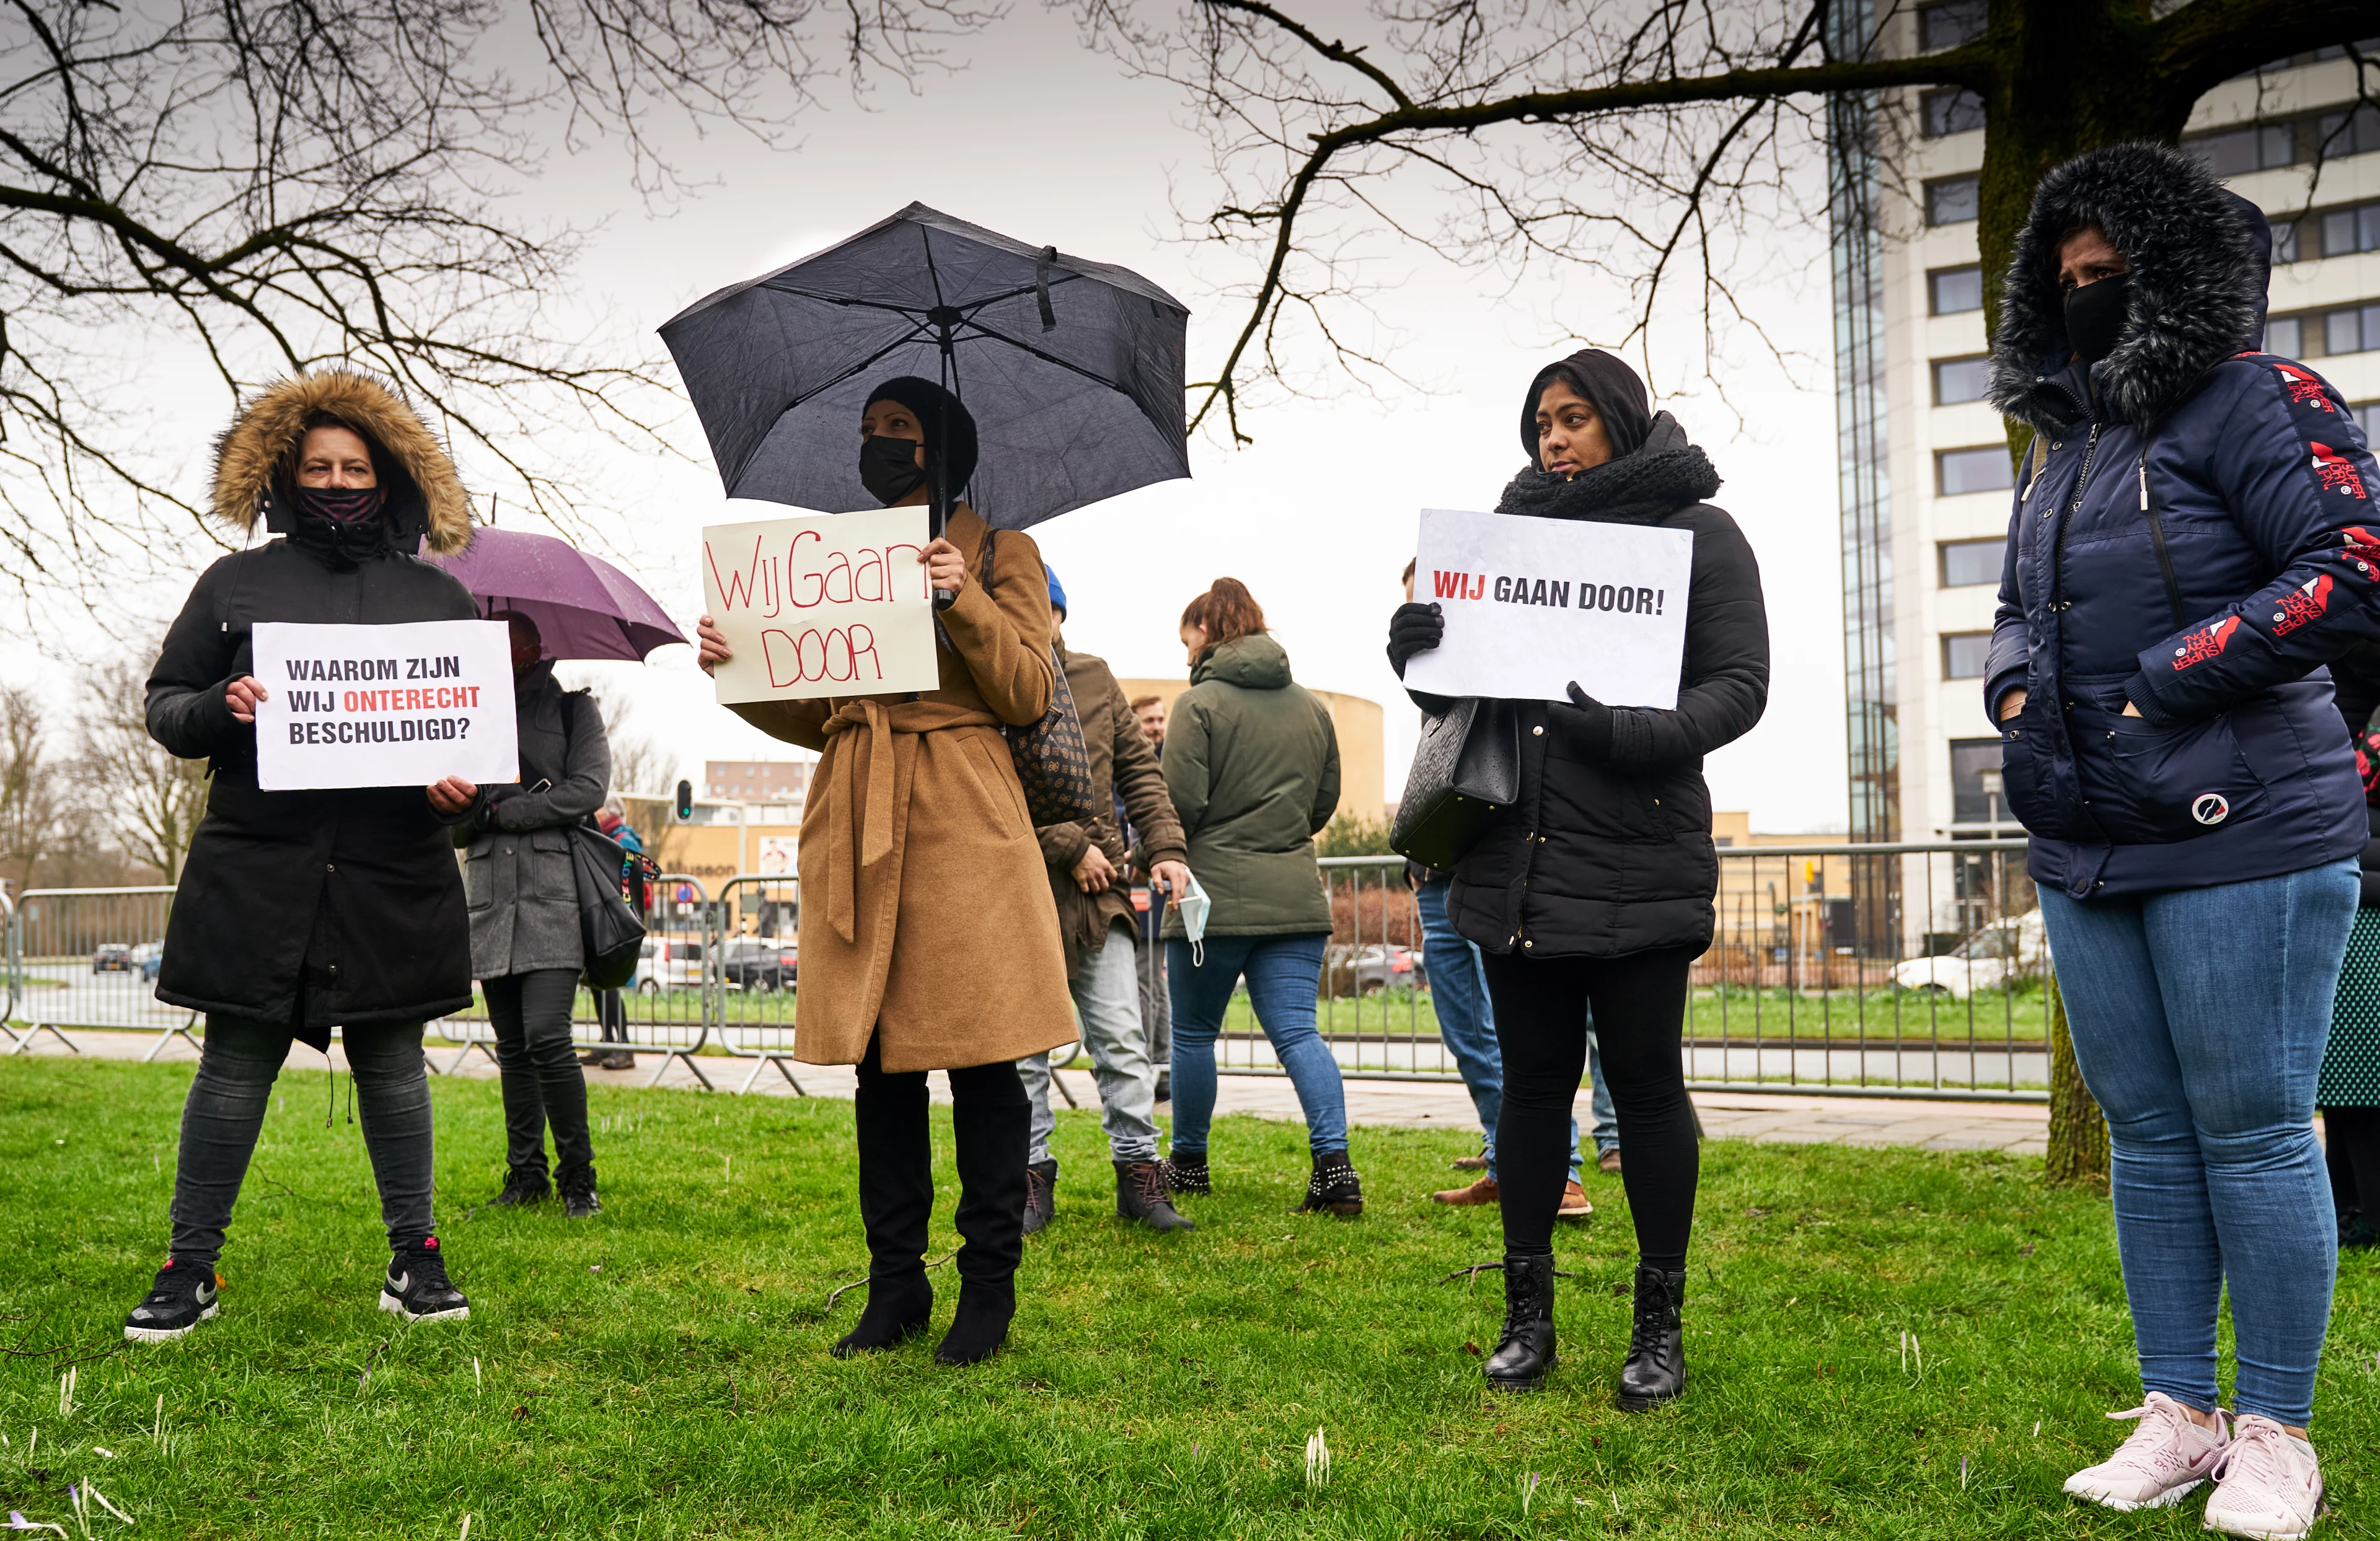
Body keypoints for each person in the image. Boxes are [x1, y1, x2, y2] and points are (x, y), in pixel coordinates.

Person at [1980, 144, 2380, 1536]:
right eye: (2069, 276)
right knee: (2149, 1135)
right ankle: (2180, 1413)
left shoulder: (2264, 399)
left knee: (2258, 1131)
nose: (2090, 295)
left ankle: (2276, 1432)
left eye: (2115, 273)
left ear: (2181, 275)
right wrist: (2017, 692)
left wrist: (2170, 672)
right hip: (2089, 838)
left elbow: (2351, 571)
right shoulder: (2062, 441)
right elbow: (2022, 607)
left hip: (2251, 828)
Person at [1388, 348, 1768, 1405]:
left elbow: (1741, 686)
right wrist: (1417, 653)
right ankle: (1527, 1314)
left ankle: (1658, 1326)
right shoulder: (1503, 542)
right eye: (1540, 424)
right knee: (1531, 1088)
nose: (1553, 440)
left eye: (1573, 419)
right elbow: (1462, 706)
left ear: (1622, 423)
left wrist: (1634, 732)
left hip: (1639, 851)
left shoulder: (1697, 534)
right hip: (1519, 857)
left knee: (1646, 1087)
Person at [695, 375, 1073, 1366]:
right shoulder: (841, 561)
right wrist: (741, 670)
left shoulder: (1004, 552)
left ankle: (987, 1286)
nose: (879, 445)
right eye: (870, 432)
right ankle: (895, 1281)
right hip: (858, 806)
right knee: (880, 1065)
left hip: (965, 816)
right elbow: (820, 707)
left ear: (942, 444)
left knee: (989, 1060)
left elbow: (1029, 689)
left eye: (899, 430)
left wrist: (964, 595)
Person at [123, 371, 484, 1341]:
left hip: (392, 871)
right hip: (258, 867)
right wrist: (217, 706)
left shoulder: (440, 596)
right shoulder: (232, 583)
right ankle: (188, 1263)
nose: (335, 480)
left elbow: (479, 745)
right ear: (285, 473)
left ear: (391, 475)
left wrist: (467, 787)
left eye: (354, 466)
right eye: (317, 465)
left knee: (395, 1064)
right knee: (234, 1063)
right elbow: (167, 705)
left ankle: (418, 1257)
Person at [1393, 559, 1603, 1216]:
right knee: (1468, 1033)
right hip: (1438, 874)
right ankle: (1507, 1157)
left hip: (1491, 874)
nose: (1423, 614)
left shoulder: (1511, 651)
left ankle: (1560, 1172)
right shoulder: (1438, 675)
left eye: (1430, 601)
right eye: (1411, 604)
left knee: (1509, 1034)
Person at [1158, 579, 1361, 1214]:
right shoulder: (1311, 708)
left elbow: (1180, 803)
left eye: (1185, 636)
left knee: (1192, 1035)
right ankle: (1335, 1170)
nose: (1183, 650)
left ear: (1206, 630)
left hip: (1210, 898)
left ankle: (1188, 1165)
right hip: (1296, 894)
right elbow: (1323, 803)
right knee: (1300, 1035)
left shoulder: (1198, 705)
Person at [1015, 567, 1198, 1235]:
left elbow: (1140, 773)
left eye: (1044, 607)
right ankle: (1031, 1181)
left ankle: (1139, 1179)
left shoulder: (1095, 677)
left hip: (1103, 900)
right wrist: (1070, 846)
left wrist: (1168, 849)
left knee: (1122, 1039)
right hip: (1022, 890)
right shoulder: (988, 679)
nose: (1034, 619)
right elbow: (987, 796)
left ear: (1061, 613)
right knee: (1025, 1053)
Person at [461, 610, 611, 1216]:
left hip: (554, 893)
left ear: (535, 646)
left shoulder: (574, 710)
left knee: (548, 1037)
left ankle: (580, 1178)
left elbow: (588, 790)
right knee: (513, 1047)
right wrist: (469, 809)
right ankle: (527, 1177)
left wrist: (508, 812)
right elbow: (453, 824)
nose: (501, 646)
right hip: (492, 895)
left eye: (511, 637)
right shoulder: (466, 709)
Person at [2321, 647, 2380, 1255]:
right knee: (2349, 1084)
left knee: (2358, 1083)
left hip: (2356, 897)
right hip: (2351, 901)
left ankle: (2359, 1214)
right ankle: (2350, 1211)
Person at [1126, 692, 1173, 1094]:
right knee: (1150, 978)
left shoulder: (1166, 764)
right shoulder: (1128, 766)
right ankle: (1160, 1064)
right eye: (1149, 720)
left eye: (1160, 719)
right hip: (1139, 885)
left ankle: (1154, 1065)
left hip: (1151, 885)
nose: (1157, 726)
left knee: (1149, 978)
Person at [587, 796, 643, 1072]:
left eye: (596, 809)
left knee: (610, 984)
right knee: (599, 983)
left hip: (618, 920)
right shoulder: (604, 836)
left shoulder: (623, 839)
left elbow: (628, 880)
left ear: (608, 812)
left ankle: (624, 1045)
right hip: (605, 917)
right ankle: (608, 1041)